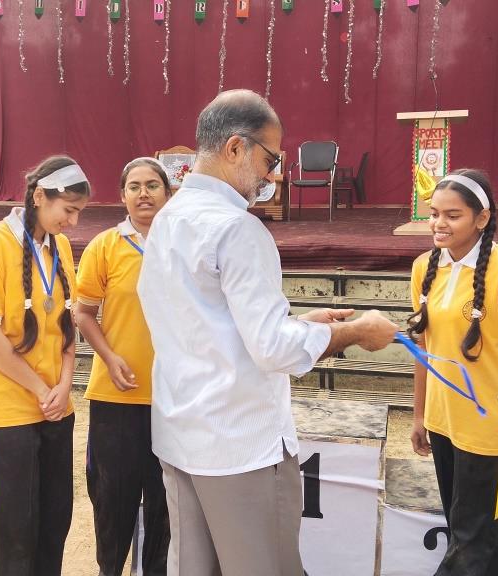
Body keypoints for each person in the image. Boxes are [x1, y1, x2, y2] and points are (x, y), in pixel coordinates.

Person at [136, 89, 399, 576]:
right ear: (235, 147)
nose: (273, 174)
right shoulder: (236, 228)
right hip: (241, 443)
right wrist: (357, 332)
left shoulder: (167, 219)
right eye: (270, 159)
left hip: (182, 432)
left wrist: (300, 325)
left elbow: (208, 324)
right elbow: (272, 348)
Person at [406, 168, 498, 576]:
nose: (439, 224)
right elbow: (423, 349)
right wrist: (420, 414)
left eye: (453, 215)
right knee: (468, 535)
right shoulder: (424, 267)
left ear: (481, 218)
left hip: (489, 429)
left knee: (470, 539)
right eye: (434, 214)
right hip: (443, 422)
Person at [0, 155, 88, 575]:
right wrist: (41, 390)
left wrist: (65, 386)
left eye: (78, 212)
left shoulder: (61, 246)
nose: (72, 221)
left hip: (55, 406)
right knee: (14, 528)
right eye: (68, 209)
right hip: (5, 408)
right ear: (39, 196)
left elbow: (68, 325)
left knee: (54, 521)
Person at [74, 157, 172, 576]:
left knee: (166, 505)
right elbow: (82, 313)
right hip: (117, 397)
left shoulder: (184, 244)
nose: (144, 193)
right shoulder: (105, 247)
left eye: (153, 185)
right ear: (122, 195)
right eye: (134, 186)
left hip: (174, 398)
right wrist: (109, 357)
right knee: (113, 501)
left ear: (168, 193)